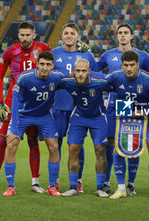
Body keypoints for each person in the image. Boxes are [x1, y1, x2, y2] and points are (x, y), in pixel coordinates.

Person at [0, 21, 50, 193]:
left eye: (28, 35)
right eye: (22, 35)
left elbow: (58, 59)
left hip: (34, 105)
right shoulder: (10, 51)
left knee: (33, 141)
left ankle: (35, 183)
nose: (25, 38)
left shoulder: (43, 48)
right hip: (12, 103)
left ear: (34, 35)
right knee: (2, 141)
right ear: (18, 35)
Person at [97, 23, 149, 195]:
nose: (123, 35)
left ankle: (130, 184)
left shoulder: (143, 56)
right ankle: (108, 181)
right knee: (111, 145)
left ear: (132, 35)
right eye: (120, 33)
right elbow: (95, 72)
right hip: (114, 106)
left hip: (135, 105)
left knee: (133, 143)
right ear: (116, 36)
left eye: (126, 33)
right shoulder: (108, 54)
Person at [2, 51, 64, 197]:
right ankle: (11, 186)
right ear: (37, 64)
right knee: (11, 143)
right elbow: (15, 103)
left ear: (52, 66)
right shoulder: (25, 78)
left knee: (54, 147)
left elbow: (71, 80)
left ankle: (52, 186)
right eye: (42, 64)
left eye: (48, 65)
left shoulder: (58, 77)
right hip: (23, 115)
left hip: (44, 116)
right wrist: (15, 129)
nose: (45, 67)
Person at [106, 50, 149, 200]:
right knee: (119, 150)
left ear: (138, 65)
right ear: (122, 65)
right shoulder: (115, 77)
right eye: (126, 65)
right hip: (126, 118)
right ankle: (121, 189)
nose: (129, 68)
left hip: (148, 119)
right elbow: (99, 84)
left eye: (132, 65)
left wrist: (144, 111)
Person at [50, 22, 97, 193]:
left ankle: (78, 180)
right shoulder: (53, 54)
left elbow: (95, 78)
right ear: (62, 36)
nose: (69, 35)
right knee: (55, 144)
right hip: (59, 106)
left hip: (79, 108)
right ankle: (54, 180)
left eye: (72, 33)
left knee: (77, 145)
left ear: (78, 36)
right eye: (66, 33)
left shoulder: (87, 55)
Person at [57, 59, 111, 197]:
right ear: (73, 72)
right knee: (73, 149)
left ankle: (100, 188)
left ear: (89, 71)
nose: (80, 74)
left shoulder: (101, 81)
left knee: (100, 150)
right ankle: (73, 187)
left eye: (83, 71)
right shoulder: (67, 82)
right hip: (78, 117)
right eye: (78, 71)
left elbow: (121, 85)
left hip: (98, 117)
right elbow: (49, 82)